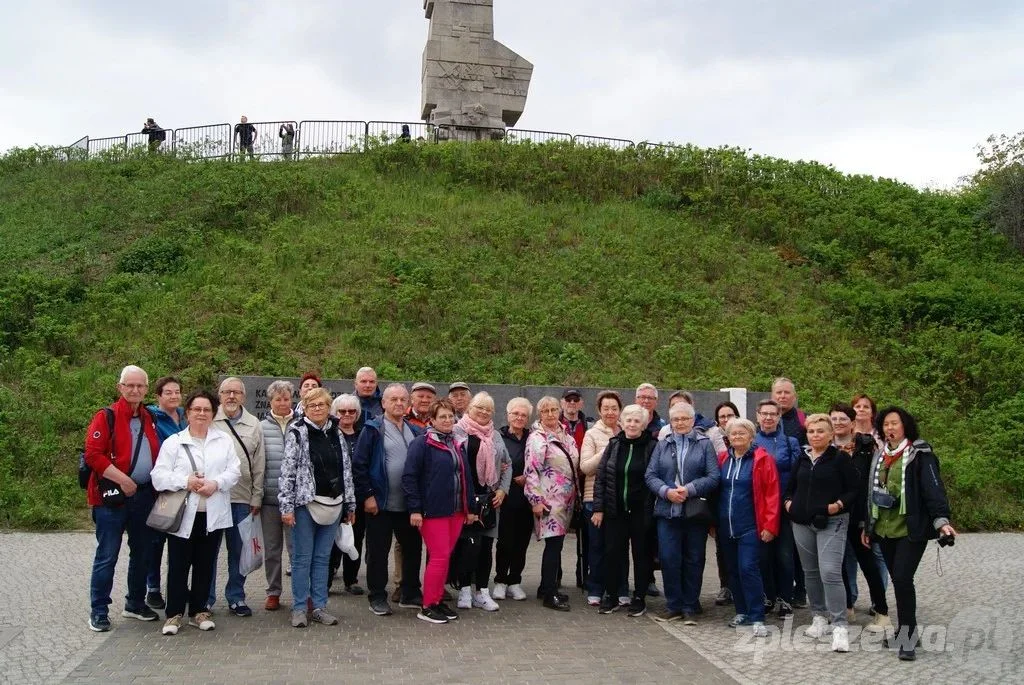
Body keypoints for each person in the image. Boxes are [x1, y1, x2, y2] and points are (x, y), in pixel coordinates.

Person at [863, 406, 956, 661]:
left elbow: (933, 488)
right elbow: (870, 492)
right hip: (884, 528)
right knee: (899, 580)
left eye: (895, 423)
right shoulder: (881, 455)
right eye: (885, 424)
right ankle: (906, 633)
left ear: (905, 426)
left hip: (909, 528)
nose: (889, 428)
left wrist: (941, 521)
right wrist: (868, 525)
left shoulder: (920, 453)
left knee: (903, 578)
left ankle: (908, 638)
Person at [152, 389, 240, 635]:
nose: (201, 413)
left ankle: (199, 611)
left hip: (212, 514)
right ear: (187, 413)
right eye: (196, 409)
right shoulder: (174, 442)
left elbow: (234, 471)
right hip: (182, 515)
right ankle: (173, 614)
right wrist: (185, 481)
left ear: (213, 413)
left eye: (207, 410)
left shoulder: (223, 441)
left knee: (205, 564)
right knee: (179, 564)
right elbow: (158, 477)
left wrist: (216, 483)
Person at [83, 365, 162, 631]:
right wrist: (123, 479)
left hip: (142, 496)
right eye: (130, 385)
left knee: (143, 553)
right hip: (112, 498)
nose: (135, 390)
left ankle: (135, 603)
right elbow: (93, 455)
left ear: (146, 389)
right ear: (120, 387)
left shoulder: (149, 417)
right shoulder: (105, 417)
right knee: (108, 554)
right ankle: (99, 610)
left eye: (140, 386)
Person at [279, 388, 356, 628]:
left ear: (328, 406)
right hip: (305, 504)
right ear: (305, 407)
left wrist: (350, 502)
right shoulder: (297, 432)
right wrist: (286, 506)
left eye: (322, 404)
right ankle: (300, 608)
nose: (318, 409)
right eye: (312, 405)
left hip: (334, 503)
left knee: (322, 558)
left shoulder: (337, 432)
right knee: (303, 558)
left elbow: (346, 469)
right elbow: (288, 470)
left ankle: (319, 607)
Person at [785, 414, 860, 653]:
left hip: (832, 521)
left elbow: (853, 490)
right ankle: (818, 616)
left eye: (820, 431)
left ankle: (839, 625)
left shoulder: (840, 459)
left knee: (830, 571)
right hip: (802, 522)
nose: (815, 435)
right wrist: (789, 504)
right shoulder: (802, 458)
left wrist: (837, 505)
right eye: (811, 431)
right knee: (811, 571)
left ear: (830, 435)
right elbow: (790, 488)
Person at [403, 399, 479, 623]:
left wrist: (470, 508)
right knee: (439, 557)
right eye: (442, 417)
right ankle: (427, 605)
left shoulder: (455, 443)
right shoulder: (422, 443)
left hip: (455, 510)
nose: (447, 420)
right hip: (432, 511)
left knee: (445, 557)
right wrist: (415, 509)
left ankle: (437, 600)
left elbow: (466, 477)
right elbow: (409, 478)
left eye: (450, 416)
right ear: (432, 420)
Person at [352, 383, 425, 616]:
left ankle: (410, 592)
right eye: (393, 399)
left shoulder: (415, 431)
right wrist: (368, 496)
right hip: (380, 504)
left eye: (403, 399)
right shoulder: (372, 429)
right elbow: (359, 465)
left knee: (412, 549)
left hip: (408, 505)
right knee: (378, 552)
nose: (399, 403)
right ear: (383, 403)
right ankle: (377, 596)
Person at [644, 402, 720, 623]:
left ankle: (690, 605)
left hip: (695, 511)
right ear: (671, 422)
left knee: (694, 558)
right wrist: (666, 491)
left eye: (684, 419)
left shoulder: (705, 444)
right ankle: (673, 604)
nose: (680, 423)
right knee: (669, 558)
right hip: (667, 510)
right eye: (675, 419)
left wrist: (689, 489)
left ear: (692, 420)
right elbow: (650, 475)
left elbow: (713, 476)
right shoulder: (663, 444)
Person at [591, 404, 659, 618]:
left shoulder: (653, 446)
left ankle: (639, 597)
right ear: (622, 422)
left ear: (644, 424)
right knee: (613, 553)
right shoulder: (614, 444)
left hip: (642, 511)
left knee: (641, 555)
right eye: (628, 420)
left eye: (636, 421)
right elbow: (601, 477)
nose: (632, 424)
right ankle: (611, 595)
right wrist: (598, 508)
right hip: (615, 510)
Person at [830, 403, 891, 632]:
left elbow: (877, 480)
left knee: (869, 564)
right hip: (835, 515)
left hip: (859, 515)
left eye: (843, 419)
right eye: (834, 419)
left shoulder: (867, 445)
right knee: (839, 563)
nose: (838, 423)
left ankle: (882, 611)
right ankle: (846, 607)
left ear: (853, 422)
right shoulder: (826, 446)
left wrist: (871, 517)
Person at [208, 377, 266, 616]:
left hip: (242, 499)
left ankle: (236, 597)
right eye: (226, 392)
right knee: (208, 552)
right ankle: (205, 598)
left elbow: (260, 464)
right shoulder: (209, 419)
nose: (231, 397)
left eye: (236, 392)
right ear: (219, 395)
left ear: (243, 396)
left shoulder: (254, 424)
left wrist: (257, 496)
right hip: (212, 499)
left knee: (239, 552)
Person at [718, 418, 779, 638]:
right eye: (733, 434)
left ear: (751, 436)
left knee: (748, 569)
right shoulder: (723, 458)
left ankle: (757, 616)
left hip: (751, 525)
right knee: (732, 570)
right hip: (726, 526)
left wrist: (770, 525)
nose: (737, 437)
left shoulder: (762, 459)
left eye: (742, 433)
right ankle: (741, 611)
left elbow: (772, 494)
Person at [451, 392, 511, 611]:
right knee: (467, 546)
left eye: (488, 409)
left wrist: (503, 490)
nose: (484, 412)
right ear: (469, 408)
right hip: (465, 500)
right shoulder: (458, 431)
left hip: (489, 500)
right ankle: (465, 589)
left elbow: (507, 464)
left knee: (486, 546)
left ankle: (482, 591)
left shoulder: (495, 435)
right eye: (480, 407)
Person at [524, 396, 579, 611]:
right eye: (545, 410)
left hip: (566, 500)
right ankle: (549, 593)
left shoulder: (566, 434)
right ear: (540, 413)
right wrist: (536, 500)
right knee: (553, 546)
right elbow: (531, 471)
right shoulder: (538, 438)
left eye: (553, 410)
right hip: (548, 500)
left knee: (557, 545)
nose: (550, 414)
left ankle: (545, 587)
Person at [753, 398, 801, 618]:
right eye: (765, 413)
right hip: (759, 508)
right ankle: (767, 595)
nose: (768, 417)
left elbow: (798, 475)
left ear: (779, 417)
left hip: (783, 506)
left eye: (773, 414)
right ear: (758, 416)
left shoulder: (790, 442)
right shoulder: (751, 442)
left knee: (784, 555)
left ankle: (785, 598)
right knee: (763, 555)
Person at [579, 390, 627, 607]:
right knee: (597, 547)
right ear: (599, 410)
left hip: (621, 500)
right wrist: (608, 448)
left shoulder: (628, 431)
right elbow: (586, 467)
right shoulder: (592, 434)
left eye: (614, 408)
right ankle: (596, 587)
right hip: (594, 499)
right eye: (606, 408)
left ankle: (621, 588)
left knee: (619, 548)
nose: (610, 412)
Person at [144, 376, 188, 611]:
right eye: (168, 392)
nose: (173, 396)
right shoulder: (152, 418)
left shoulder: (184, 416)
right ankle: (152, 588)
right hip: (161, 488)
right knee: (157, 540)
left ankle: (178, 587)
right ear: (158, 396)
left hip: (184, 487)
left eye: (177, 391)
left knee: (179, 541)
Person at [492, 397, 534, 602]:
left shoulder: (533, 438)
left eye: (523, 415)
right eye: (515, 413)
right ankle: (500, 580)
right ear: (508, 415)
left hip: (527, 498)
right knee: (505, 541)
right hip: (506, 497)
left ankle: (515, 581)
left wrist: (530, 477)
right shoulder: (498, 437)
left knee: (522, 542)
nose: (519, 417)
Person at [259, 380, 295, 611]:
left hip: (295, 501)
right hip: (270, 499)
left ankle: (302, 592)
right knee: (272, 550)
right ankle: (273, 592)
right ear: (270, 401)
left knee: (297, 550)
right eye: (278, 399)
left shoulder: (302, 425)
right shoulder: (260, 427)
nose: (282, 403)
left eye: (286, 398)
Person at [328, 393, 367, 595]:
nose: (347, 414)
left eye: (352, 411)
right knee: (330, 540)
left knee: (356, 538)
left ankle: (351, 579)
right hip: (334, 496)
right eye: (342, 411)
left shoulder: (363, 435)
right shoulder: (329, 435)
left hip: (358, 496)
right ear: (334, 413)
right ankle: (326, 579)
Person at [851, 393, 889, 593]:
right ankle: (850, 597)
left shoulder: (880, 436)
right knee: (849, 553)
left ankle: (879, 596)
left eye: (866, 406)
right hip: (851, 497)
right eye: (857, 406)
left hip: (875, 494)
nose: (861, 409)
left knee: (877, 551)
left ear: (872, 412)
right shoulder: (845, 433)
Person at [559, 388, 589, 590]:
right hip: (560, 486)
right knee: (557, 536)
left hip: (584, 483)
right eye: (568, 400)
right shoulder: (554, 423)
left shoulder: (589, 425)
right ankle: (556, 576)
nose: (571, 403)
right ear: (562, 403)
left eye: (575, 400)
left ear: (581, 403)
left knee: (586, 535)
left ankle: (584, 576)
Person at [710, 401, 740, 607]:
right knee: (722, 549)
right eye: (722, 416)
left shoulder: (744, 434)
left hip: (741, 502)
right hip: (720, 498)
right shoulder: (711, 438)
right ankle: (726, 586)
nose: (726, 419)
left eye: (730, 415)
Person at [772, 377, 806, 445]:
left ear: (794, 396)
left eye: (787, 392)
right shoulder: (763, 420)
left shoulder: (805, 419)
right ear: (772, 396)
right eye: (779, 392)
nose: (783, 396)